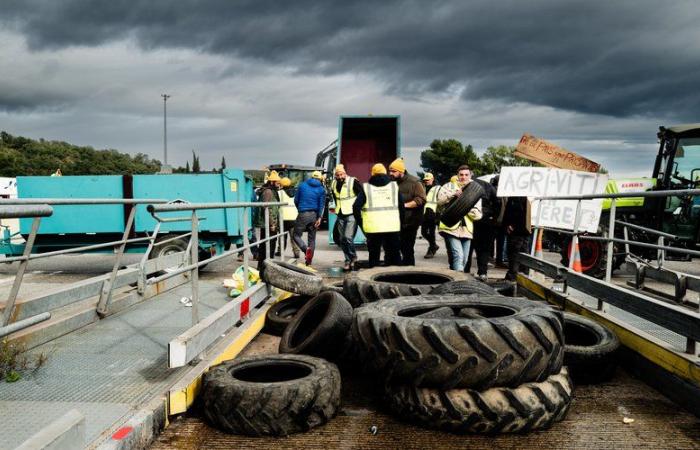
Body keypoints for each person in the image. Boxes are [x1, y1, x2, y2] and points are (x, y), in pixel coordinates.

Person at [353, 163, 403, 268]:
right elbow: (401, 207)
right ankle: (395, 279)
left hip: (373, 228)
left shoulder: (367, 188)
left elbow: (356, 207)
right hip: (392, 227)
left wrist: (361, 223)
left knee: (374, 256)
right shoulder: (394, 187)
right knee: (393, 255)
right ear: (385, 173)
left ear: (372, 174)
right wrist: (400, 223)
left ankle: (374, 279)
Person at [436, 165, 482, 272]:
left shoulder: (475, 191)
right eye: (461, 175)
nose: (463, 177)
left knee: (465, 259)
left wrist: (465, 206)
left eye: (466, 175)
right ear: (457, 175)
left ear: (470, 175)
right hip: (450, 227)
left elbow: (478, 215)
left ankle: (453, 279)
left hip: (466, 230)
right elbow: (439, 201)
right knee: (458, 255)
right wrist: (453, 195)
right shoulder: (449, 186)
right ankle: (459, 283)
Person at [388, 158, 426, 266]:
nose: (391, 173)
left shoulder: (415, 182)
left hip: (410, 222)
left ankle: (409, 273)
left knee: (407, 249)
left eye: (393, 171)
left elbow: (421, 199)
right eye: (390, 171)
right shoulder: (391, 182)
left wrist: (403, 206)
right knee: (394, 249)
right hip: (395, 222)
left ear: (401, 171)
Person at [464, 172, 499, 280]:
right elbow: (497, 203)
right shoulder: (488, 186)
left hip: (469, 221)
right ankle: (482, 273)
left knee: (468, 248)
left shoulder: (464, 186)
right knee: (483, 249)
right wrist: (494, 217)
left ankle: (465, 271)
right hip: (486, 221)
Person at [331, 164, 362, 271]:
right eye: (337, 175)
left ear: (345, 173)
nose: (340, 177)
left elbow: (361, 195)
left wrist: (358, 209)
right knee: (341, 239)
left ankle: (353, 257)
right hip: (340, 213)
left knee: (348, 237)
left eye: (341, 174)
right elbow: (335, 197)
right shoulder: (334, 183)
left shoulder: (353, 182)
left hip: (351, 213)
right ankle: (348, 260)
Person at [293, 170, 326, 265]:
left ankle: (305, 249)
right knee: (312, 239)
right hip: (314, 215)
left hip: (303, 213)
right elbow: (321, 205)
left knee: (296, 235)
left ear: (311, 177)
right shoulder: (321, 189)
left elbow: (296, 200)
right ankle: (309, 261)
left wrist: (300, 209)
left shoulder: (302, 185)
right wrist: (319, 218)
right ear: (320, 179)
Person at [255, 170, 281, 276]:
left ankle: (264, 267)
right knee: (268, 246)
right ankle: (265, 268)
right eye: (277, 182)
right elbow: (268, 208)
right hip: (268, 224)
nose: (279, 184)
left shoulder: (270, 191)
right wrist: (272, 224)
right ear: (272, 182)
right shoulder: (268, 192)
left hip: (269, 223)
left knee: (266, 245)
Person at [502, 196, 532, 281]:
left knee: (514, 254)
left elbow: (514, 211)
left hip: (517, 231)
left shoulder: (516, 197)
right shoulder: (529, 196)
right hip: (524, 230)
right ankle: (521, 276)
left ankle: (513, 276)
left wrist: (509, 225)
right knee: (523, 253)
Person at [277, 177, 300, 258]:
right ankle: (296, 252)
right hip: (294, 217)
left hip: (283, 218)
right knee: (294, 237)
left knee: (282, 237)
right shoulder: (296, 192)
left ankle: (280, 251)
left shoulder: (279, 193)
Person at [420, 172, 440, 259]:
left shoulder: (438, 188)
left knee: (431, 233)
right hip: (425, 213)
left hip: (433, 212)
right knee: (423, 232)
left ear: (432, 179)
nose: (426, 181)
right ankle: (434, 245)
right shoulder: (423, 188)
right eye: (425, 180)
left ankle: (431, 250)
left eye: (428, 180)